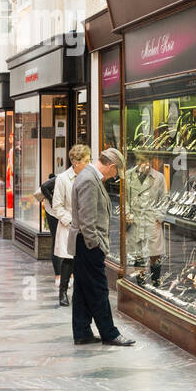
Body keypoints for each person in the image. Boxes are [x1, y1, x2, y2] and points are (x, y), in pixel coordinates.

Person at [71, 147, 133, 346]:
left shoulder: (89, 175)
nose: (115, 176)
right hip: (88, 244)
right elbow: (87, 220)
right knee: (99, 290)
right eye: (116, 172)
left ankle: (82, 331)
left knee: (82, 289)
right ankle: (110, 333)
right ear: (111, 166)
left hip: (83, 243)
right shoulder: (90, 180)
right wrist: (95, 245)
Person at [50, 145, 89, 308]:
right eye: (86, 160)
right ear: (75, 162)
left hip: (87, 225)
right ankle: (63, 292)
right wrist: (71, 222)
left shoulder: (90, 176)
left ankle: (82, 293)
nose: (89, 163)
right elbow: (57, 205)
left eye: (89, 160)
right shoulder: (63, 178)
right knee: (68, 260)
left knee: (84, 260)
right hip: (69, 225)